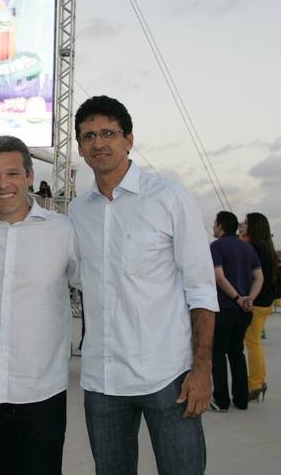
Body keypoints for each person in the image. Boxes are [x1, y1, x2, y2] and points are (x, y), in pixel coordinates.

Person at [69, 95, 217, 475]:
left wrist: (202, 369)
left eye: (108, 133)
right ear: (81, 148)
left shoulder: (169, 199)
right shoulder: (77, 211)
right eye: (88, 136)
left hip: (168, 377)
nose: (98, 143)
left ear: (129, 139)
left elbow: (200, 288)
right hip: (103, 380)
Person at [0, 136, 79, 475]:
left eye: (12, 173)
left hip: (42, 394)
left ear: (28, 176)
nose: (3, 184)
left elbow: (100, 288)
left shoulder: (64, 232)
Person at [209, 211, 263, 412]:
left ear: (221, 225)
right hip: (245, 310)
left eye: (215, 224)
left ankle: (221, 400)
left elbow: (219, 277)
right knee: (236, 351)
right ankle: (241, 399)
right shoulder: (247, 248)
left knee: (218, 352)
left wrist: (237, 298)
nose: (213, 227)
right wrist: (250, 298)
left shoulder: (216, 247)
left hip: (225, 307)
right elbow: (259, 277)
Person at [241, 212, 279, 402]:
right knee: (255, 343)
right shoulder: (267, 247)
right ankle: (259, 381)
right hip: (266, 302)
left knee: (253, 343)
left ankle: (255, 384)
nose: (243, 224)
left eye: (246, 222)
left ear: (254, 226)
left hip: (256, 302)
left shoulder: (254, 247)